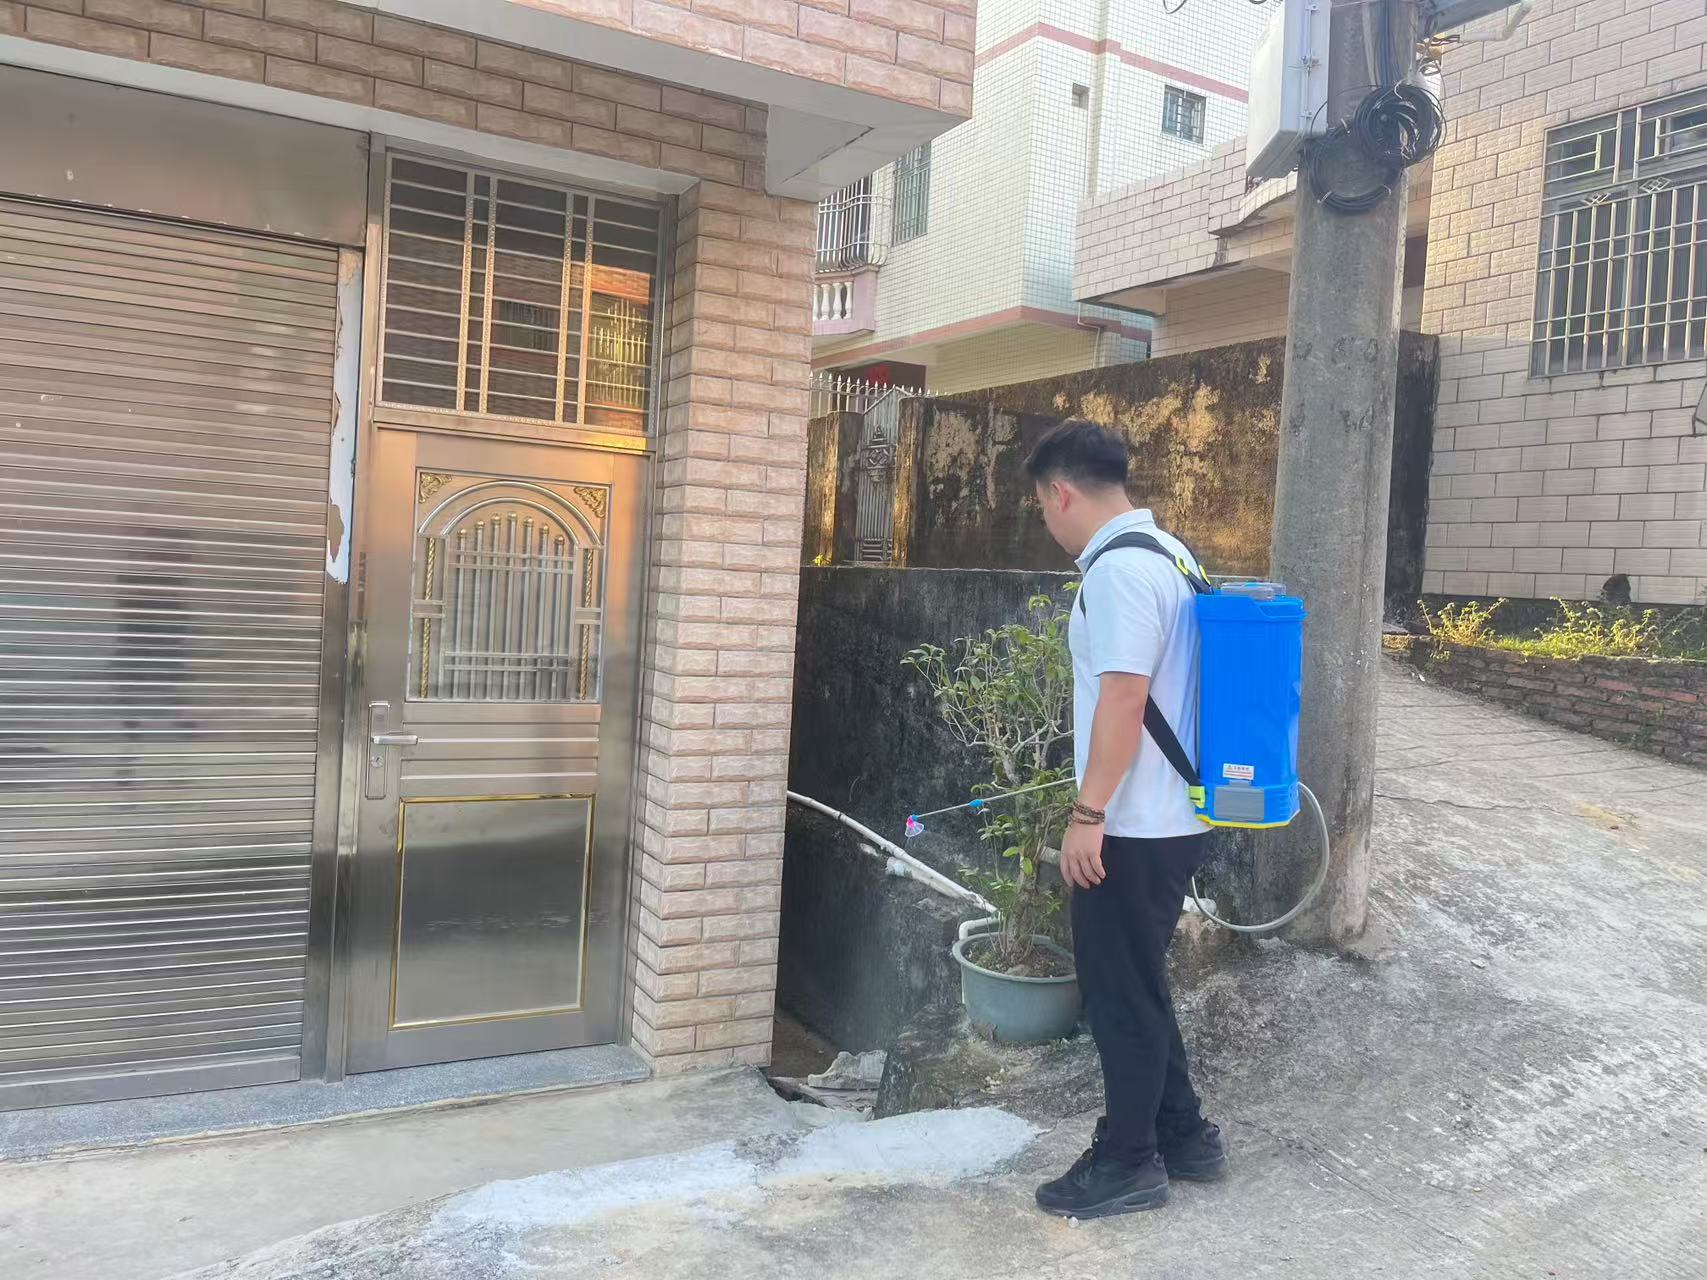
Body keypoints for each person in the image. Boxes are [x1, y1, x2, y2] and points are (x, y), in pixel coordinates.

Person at [1024, 419, 1227, 1220]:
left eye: (1041, 507)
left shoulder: (1116, 573)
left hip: (1133, 825)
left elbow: (1124, 697)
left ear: (1059, 493)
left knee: (1118, 998)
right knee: (1138, 984)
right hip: (1170, 815)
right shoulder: (1172, 555)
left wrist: (1088, 814)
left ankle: (1128, 1162)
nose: (1046, 522)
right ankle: (1183, 1135)